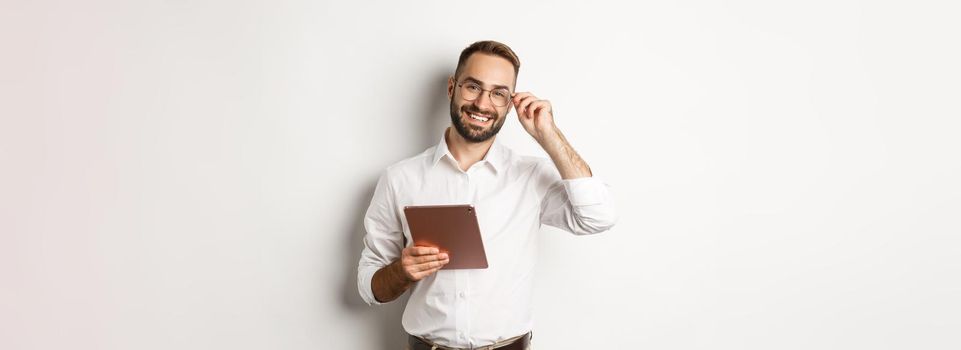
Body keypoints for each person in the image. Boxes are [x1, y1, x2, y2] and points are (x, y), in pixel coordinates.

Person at [357, 40, 617, 350]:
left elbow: (599, 217)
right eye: (473, 87)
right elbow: (369, 285)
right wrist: (401, 271)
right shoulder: (400, 178)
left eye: (498, 93)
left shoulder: (531, 176)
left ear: (510, 104)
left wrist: (549, 135)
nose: (482, 104)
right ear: (452, 87)